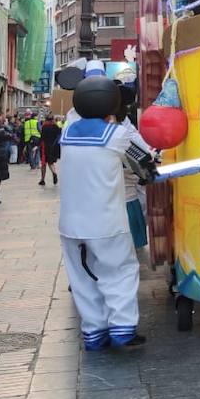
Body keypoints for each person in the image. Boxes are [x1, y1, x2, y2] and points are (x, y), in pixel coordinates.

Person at [59, 77, 155, 349]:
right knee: (120, 272)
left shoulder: (68, 131)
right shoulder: (116, 135)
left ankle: (94, 332)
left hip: (70, 224)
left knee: (82, 278)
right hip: (106, 221)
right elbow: (144, 159)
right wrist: (149, 170)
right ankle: (123, 328)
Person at [40, 115, 62, 186]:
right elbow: (59, 135)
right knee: (51, 162)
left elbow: (42, 137)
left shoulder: (44, 127)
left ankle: (42, 180)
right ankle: (54, 172)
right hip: (53, 147)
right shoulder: (56, 127)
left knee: (43, 164)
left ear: (46, 120)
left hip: (45, 147)